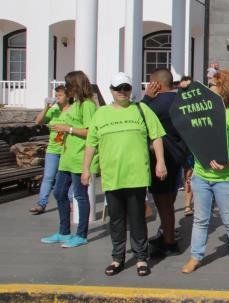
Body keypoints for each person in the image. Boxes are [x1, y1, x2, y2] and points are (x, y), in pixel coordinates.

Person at [81, 72, 167, 277]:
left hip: (136, 175)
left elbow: (156, 137)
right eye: (118, 88)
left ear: (131, 90)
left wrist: (161, 162)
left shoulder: (142, 109)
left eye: (126, 88)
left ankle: (140, 258)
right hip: (112, 176)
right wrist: (86, 169)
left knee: (138, 219)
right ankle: (117, 258)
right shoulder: (100, 114)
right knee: (116, 220)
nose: (122, 92)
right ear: (111, 90)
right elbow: (91, 144)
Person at [181, 69, 229, 277]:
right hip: (201, 176)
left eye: (213, 84)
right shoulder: (203, 109)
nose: (209, 87)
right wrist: (186, 90)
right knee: (200, 220)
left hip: (227, 178)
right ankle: (196, 256)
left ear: (225, 88)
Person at [41, 71, 97, 249]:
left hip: (79, 157)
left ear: (76, 85)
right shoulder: (75, 104)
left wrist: (68, 129)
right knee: (58, 192)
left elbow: (90, 131)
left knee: (80, 195)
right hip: (67, 156)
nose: (67, 89)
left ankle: (81, 234)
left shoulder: (87, 105)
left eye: (68, 85)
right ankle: (64, 231)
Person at [142, 68, 186, 256]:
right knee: (169, 199)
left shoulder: (155, 104)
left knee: (163, 203)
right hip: (179, 157)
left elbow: (139, 116)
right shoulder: (182, 102)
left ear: (156, 84)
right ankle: (166, 234)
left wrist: (146, 98)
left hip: (161, 159)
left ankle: (169, 241)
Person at [30, 85, 69, 215]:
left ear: (68, 96)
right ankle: (41, 204)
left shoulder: (72, 110)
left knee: (65, 179)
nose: (57, 98)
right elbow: (38, 121)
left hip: (67, 149)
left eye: (60, 95)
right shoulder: (54, 110)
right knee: (48, 177)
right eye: (56, 95)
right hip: (53, 148)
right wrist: (46, 106)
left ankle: (68, 202)